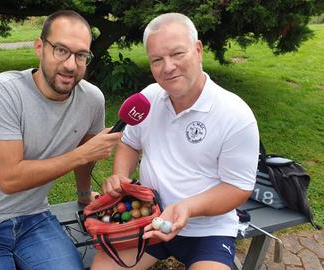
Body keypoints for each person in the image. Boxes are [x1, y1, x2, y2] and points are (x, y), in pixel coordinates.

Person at [0, 10, 122, 270]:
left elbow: (87, 154)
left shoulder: (91, 99)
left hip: (33, 218)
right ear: (39, 47)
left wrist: (84, 195)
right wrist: (84, 153)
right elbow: (10, 178)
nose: (71, 65)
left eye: (81, 55)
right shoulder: (3, 92)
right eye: (61, 50)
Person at [91, 13, 259, 270]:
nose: (167, 67)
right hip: (147, 216)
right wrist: (121, 176)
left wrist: (188, 208)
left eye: (177, 54)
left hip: (208, 230)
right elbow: (130, 143)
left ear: (198, 50)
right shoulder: (148, 98)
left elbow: (238, 187)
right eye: (157, 59)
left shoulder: (236, 114)